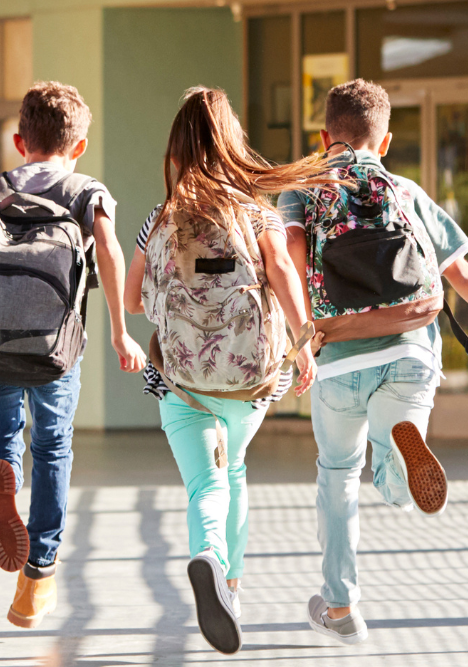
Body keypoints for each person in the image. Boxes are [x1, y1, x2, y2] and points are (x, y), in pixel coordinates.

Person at [282, 79, 468, 645]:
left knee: (337, 475)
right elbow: (459, 273)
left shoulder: (301, 191)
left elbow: (290, 262)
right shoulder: (404, 190)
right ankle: (402, 462)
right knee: (393, 477)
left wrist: (301, 339)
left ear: (324, 135)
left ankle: (340, 606)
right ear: (385, 141)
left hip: (337, 356)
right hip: (410, 348)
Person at [121, 86, 322, 654]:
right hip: (250, 379)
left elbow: (135, 300)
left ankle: (208, 554)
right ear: (231, 141)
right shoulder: (256, 209)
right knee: (232, 470)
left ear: (177, 148)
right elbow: (282, 269)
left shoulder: (159, 218)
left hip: (181, 382)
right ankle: (230, 587)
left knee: (205, 483)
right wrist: (303, 343)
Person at [0, 81, 145, 629]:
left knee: (2, 446)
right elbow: (109, 251)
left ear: (18, 139)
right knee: (52, 448)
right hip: (56, 349)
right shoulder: (86, 192)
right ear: (78, 145)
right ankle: (38, 576)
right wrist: (120, 334)